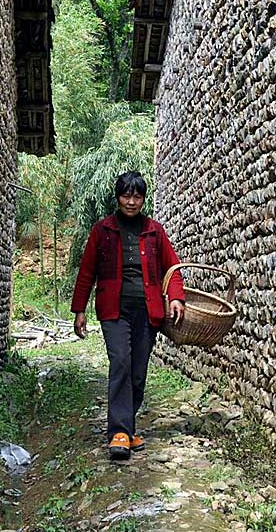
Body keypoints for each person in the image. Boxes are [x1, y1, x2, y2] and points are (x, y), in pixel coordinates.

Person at [70, 171, 186, 460]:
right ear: (118, 197)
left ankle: (128, 427)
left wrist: (176, 297)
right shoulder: (102, 230)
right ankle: (119, 432)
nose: (131, 202)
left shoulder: (154, 231)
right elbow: (87, 272)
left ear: (143, 199)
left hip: (148, 311)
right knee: (120, 361)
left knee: (137, 371)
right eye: (126, 196)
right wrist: (79, 310)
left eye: (137, 196)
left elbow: (172, 268)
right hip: (114, 310)